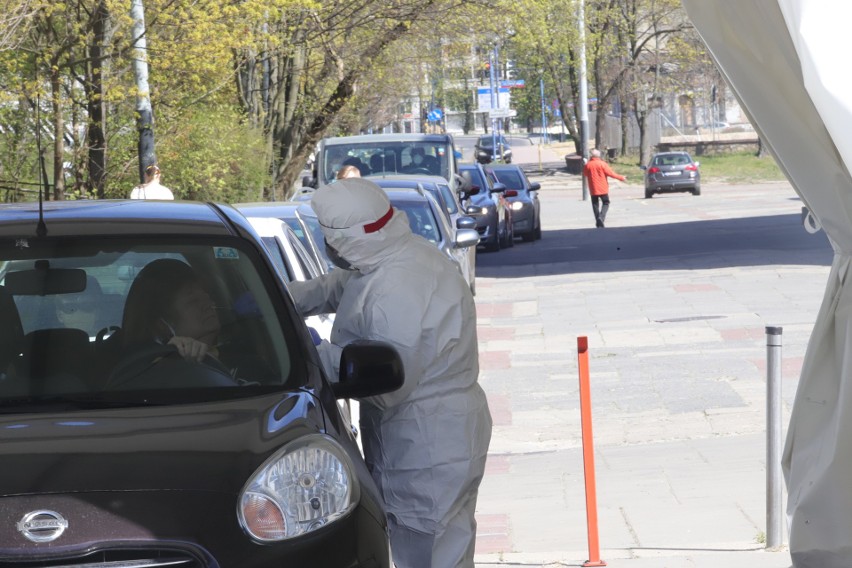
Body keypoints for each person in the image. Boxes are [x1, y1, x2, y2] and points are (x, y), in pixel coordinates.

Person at [287, 177, 492, 568]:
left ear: (348, 238)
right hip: (433, 432)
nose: (325, 245)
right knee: (440, 545)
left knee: (428, 553)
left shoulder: (397, 286)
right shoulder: (396, 257)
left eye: (327, 236)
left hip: (425, 441)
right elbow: (334, 287)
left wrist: (310, 354)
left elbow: (385, 376)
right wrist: (275, 300)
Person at [582, 148, 626, 228]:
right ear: (598, 156)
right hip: (603, 188)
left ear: (591, 156)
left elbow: (585, 174)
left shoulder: (588, 165)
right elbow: (611, 174)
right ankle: (601, 217)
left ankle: (598, 221)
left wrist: (585, 164)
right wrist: (621, 178)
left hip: (593, 188)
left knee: (595, 205)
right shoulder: (603, 164)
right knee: (606, 203)